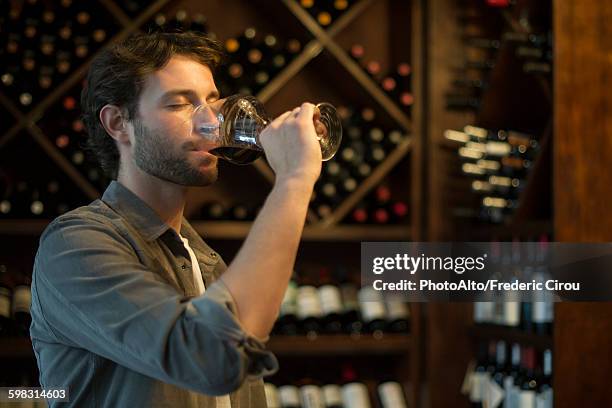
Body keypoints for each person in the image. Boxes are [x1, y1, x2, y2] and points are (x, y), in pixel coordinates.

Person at [30, 31, 322, 407]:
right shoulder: (75, 246)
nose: (211, 123)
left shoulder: (207, 262)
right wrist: (295, 179)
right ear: (119, 123)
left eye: (213, 101)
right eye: (180, 104)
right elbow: (211, 357)